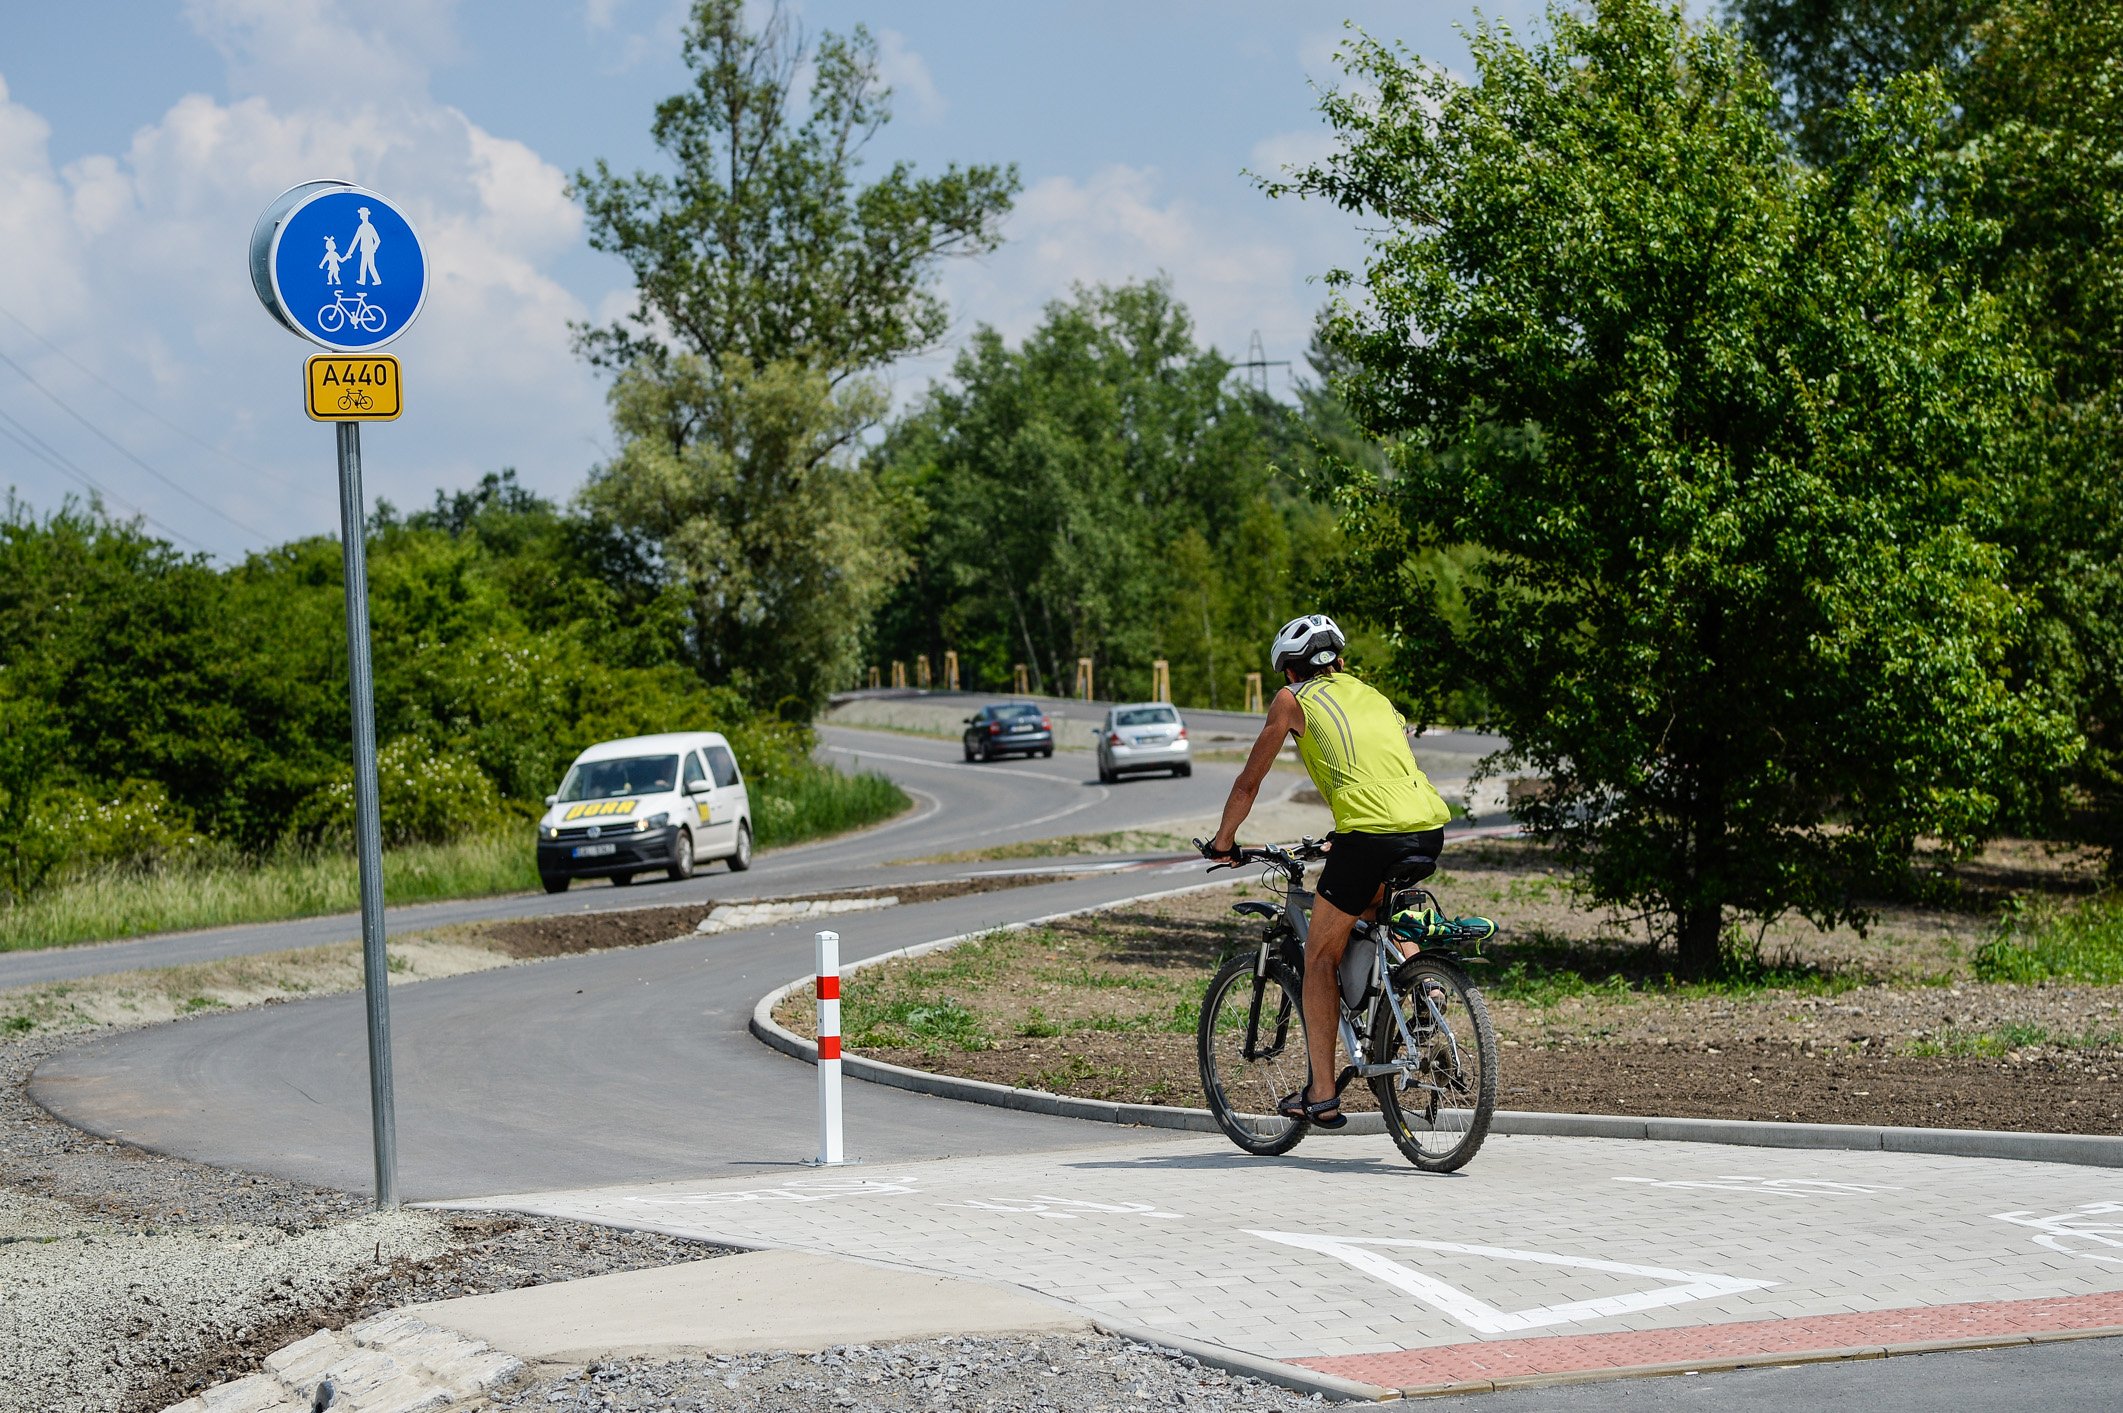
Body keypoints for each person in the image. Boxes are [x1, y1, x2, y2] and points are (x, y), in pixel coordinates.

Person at [1203, 613, 1452, 1128]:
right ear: (1338, 659)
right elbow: (1387, 764)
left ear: (1291, 670)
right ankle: (1423, 984)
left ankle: (1322, 1093)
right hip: (1425, 825)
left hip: (1368, 834)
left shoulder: (1293, 701)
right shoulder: (1374, 695)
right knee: (1376, 908)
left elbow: (1250, 781)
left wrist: (1223, 842)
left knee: (1318, 957)